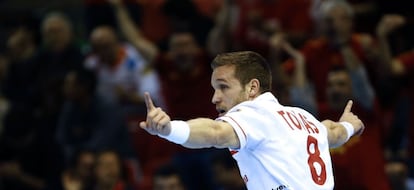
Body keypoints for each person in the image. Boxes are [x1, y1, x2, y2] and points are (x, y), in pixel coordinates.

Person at [138, 51, 364, 189]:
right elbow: (332, 133)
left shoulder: (254, 115)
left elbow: (215, 133)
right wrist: (349, 126)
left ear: (252, 88)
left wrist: (170, 129)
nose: (215, 97)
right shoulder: (303, 117)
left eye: (223, 87)